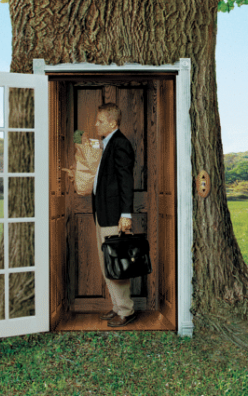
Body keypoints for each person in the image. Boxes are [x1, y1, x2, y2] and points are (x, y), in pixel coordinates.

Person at [92, 103, 137, 328]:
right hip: (102, 213)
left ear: (112, 123)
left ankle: (126, 311)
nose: (95, 124)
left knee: (116, 264)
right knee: (107, 264)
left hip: (114, 215)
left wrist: (126, 214)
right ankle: (118, 307)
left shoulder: (120, 144)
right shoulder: (106, 144)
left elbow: (126, 181)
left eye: (99, 121)